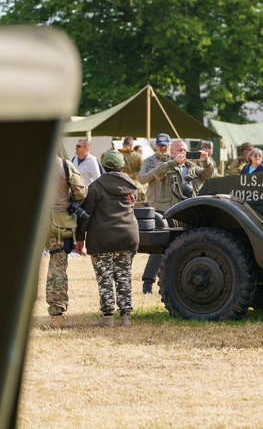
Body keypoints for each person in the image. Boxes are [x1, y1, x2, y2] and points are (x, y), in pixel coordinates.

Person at [137, 134, 215, 293]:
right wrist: (174, 162)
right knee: (160, 249)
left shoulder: (193, 166)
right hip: (168, 211)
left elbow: (209, 175)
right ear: (172, 152)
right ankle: (147, 283)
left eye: (185, 150)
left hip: (189, 212)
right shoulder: (165, 165)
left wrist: (205, 160)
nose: (183, 152)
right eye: (179, 150)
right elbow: (157, 174)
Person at [81, 150, 139, 327]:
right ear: (122, 166)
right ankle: (126, 317)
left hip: (102, 238)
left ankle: (107, 317)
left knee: (105, 277)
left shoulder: (95, 187)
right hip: (127, 236)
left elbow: (86, 215)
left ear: (104, 166)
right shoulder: (131, 187)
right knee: (124, 276)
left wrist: (78, 238)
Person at [45, 156, 88, 328]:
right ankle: (57, 316)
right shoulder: (64, 164)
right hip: (58, 223)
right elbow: (81, 192)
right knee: (57, 266)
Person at [120, 136, 146, 203]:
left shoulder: (117, 155)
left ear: (123, 144)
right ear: (131, 145)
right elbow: (145, 169)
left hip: (120, 186)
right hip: (135, 185)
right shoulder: (137, 156)